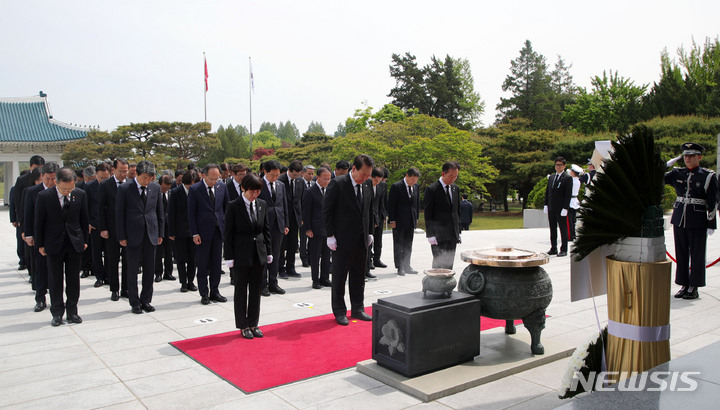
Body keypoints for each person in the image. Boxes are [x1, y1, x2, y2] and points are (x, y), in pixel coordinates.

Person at [323, 154, 375, 326]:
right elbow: (327, 211)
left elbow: (368, 210)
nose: (366, 178)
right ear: (354, 169)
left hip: (361, 239)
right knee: (339, 276)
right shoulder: (338, 184)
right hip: (342, 239)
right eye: (363, 174)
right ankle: (339, 310)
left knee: (359, 275)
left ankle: (358, 308)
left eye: (368, 175)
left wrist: (370, 231)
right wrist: (330, 235)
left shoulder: (367, 184)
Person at [34, 167, 89, 326]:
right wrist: (40, 244)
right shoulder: (44, 196)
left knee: (73, 280)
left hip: (74, 243)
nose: (67, 191)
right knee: (55, 279)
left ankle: (72, 311)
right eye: (64, 188)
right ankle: (57, 313)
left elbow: (84, 220)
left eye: (70, 188)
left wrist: (84, 240)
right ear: (56, 183)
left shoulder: (80, 194)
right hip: (53, 244)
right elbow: (39, 223)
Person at [665, 142, 718, 300]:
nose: (687, 159)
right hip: (679, 218)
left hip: (697, 219)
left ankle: (694, 285)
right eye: (686, 156)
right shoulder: (676, 173)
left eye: (691, 156)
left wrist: (711, 223)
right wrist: (665, 165)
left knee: (697, 254)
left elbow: (712, 201)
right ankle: (683, 284)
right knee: (681, 253)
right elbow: (655, 177)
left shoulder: (708, 176)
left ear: (699, 157)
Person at [224, 174, 273, 339]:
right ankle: (242, 324)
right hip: (241, 253)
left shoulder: (262, 204)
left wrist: (269, 251)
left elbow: (265, 230)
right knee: (241, 290)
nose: (255, 195)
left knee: (256, 290)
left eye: (258, 191)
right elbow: (228, 234)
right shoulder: (233, 206)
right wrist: (229, 256)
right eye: (252, 191)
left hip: (258, 253)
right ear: (244, 188)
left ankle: (253, 323)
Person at [116, 161, 164, 314]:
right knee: (132, 269)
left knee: (150, 269)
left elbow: (159, 212)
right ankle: (134, 301)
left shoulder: (155, 188)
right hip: (132, 234)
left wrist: (160, 233)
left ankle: (146, 300)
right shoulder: (125, 188)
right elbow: (119, 214)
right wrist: (121, 235)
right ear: (137, 174)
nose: (147, 181)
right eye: (144, 178)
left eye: (150, 178)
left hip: (151, 233)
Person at [188, 163, 230, 305]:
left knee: (216, 264)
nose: (214, 182)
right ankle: (204, 293)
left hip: (218, 231)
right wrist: (195, 233)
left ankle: (215, 291)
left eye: (216, 179)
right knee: (203, 263)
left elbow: (226, 208)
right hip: (202, 232)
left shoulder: (222, 187)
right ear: (203, 175)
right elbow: (191, 213)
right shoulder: (195, 189)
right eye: (211, 179)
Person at [24, 162, 59, 311]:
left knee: (55, 271)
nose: (51, 182)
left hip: (57, 237)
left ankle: (55, 298)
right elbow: (28, 215)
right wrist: (29, 235)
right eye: (47, 179)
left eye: (53, 179)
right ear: (42, 176)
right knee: (40, 268)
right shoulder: (32, 192)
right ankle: (40, 298)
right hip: (40, 236)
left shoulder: (61, 190)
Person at [99, 159, 129, 301]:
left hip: (128, 229)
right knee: (113, 259)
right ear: (113, 170)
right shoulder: (105, 185)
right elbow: (100, 209)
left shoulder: (130, 184)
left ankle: (126, 288)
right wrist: (103, 228)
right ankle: (114, 289)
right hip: (111, 229)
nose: (124, 174)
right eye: (121, 171)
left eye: (125, 171)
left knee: (128, 260)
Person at [258, 160, 289, 296]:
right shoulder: (258, 184)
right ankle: (262, 284)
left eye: (277, 175)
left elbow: (284, 205)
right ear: (265, 171)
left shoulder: (281, 185)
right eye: (272, 175)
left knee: (276, 255)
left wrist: (286, 223)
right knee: (264, 256)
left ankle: (273, 282)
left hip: (278, 224)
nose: (275, 178)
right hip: (263, 225)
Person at [424, 161, 462, 269]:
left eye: (456, 176)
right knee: (439, 263)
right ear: (443, 173)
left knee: (449, 263)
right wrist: (430, 234)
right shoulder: (432, 189)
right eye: (451, 176)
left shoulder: (455, 189)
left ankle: (447, 284)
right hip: (438, 234)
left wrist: (458, 231)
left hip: (452, 234)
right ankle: (435, 285)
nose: (453, 179)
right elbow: (428, 213)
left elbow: (457, 211)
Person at [14, 155, 45, 276]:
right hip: (28, 216)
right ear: (31, 166)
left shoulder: (49, 178)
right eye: (37, 167)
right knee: (28, 247)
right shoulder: (22, 180)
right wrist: (19, 220)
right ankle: (26, 264)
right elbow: (18, 201)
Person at [168, 170, 198, 293]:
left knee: (193, 257)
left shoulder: (197, 192)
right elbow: (171, 213)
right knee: (181, 258)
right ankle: (183, 282)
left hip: (194, 231)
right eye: (189, 185)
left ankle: (191, 281)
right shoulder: (175, 193)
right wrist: (171, 232)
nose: (191, 187)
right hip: (180, 230)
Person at [303, 166, 332, 289]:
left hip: (327, 229)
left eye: (329, 179)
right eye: (324, 179)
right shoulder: (310, 191)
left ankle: (325, 278)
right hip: (315, 229)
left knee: (326, 255)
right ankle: (315, 280)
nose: (327, 181)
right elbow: (306, 212)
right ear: (318, 177)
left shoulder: (330, 190)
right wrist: (308, 229)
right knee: (315, 256)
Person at [387, 167, 420, 275]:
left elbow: (417, 204)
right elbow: (391, 205)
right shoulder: (396, 186)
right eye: (412, 180)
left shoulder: (416, 187)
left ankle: (407, 265)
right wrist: (392, 220)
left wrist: (416, 218)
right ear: (407, 176)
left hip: (411, 220)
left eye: (416, 180)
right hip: (399, 220)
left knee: (408, 245)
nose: (414, 182)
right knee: (399, 244)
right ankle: (400, 266)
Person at [84, 162, 110, 288]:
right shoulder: (89, 187)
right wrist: (88, 222)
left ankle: (109, 275)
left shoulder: (113, 186)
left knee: (110, 253)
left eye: (106, 178)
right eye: (101, 178)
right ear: (96, 176)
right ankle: (99, 276)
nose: (104, 180)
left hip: (110, 224)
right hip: (95, 224)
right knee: (96, 252)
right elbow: (85, 207)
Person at [278, 160, 303, 279]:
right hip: (283, 216)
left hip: (295, 217)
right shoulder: (280, 180)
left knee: (293, 244)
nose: (296, 177)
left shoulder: (300, 181)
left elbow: (301, 200)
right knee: (282, 244)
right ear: (289, 170)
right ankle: (281, 268)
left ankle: (291, 267)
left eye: (298, 175)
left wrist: (301, 217)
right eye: (294, 175)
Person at [543, 157, 572, 257]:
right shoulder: (551, 177)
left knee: (563, 228)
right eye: (556, 164)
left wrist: (565, 208)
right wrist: (546, 204)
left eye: (560, 165)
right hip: (551, 207)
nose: (558, 167)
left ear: (564, 166)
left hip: (561, 208)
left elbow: (568, 194)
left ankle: (564, 249)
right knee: (552, 228)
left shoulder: (567, 178)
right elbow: (548, 192)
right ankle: (553, 247)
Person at [155, 174, 175, 282]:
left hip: (169, 227)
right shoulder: (154, 193)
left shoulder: (172, 194)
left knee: (169, 251)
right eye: (163, 188)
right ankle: (158, 273)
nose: (165, 190)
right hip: (157, 227)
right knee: (158, 251)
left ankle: (168, 273)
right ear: (159, 184)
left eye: (167, 188)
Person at [369, 167, 388, 270]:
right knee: (369, 240)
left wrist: (384, 215)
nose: (377, 182)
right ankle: (369, 261)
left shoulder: (383, 185)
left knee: (378, 240)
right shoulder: (366, 184)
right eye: (375, 180)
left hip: (379, 215)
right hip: (369, 216)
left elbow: (383, 201)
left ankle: (377, 259)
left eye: (379, 180)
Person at [79, 166, 96, 278]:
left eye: (93, 178)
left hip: (94, 222)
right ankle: (85, 268)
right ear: (84, 176)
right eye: (89, 178)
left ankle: (94, 268)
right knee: (84, 247)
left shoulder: (97, 186)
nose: (91, 181)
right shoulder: (78, 187)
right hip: (83, 222)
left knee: (94, 249)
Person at [298, 165, 315, 267]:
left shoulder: (314, 184)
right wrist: (300, 217)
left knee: (312, 238)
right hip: (303, 215)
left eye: (313, 173)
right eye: (309, 173)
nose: (311, 176)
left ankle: (310, 257)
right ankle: (303, 258)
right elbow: (297, 202)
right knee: (303, 238)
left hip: (313, 216)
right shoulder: (299, 184)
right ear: (302, 173)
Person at [568, 164, 583, 241]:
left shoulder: (571, 181)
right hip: (575, 200)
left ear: (573, 172)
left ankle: (570, 235)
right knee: (573, 220)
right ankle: (573, 234)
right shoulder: (578, 180)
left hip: (570, 201)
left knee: (569, 220)